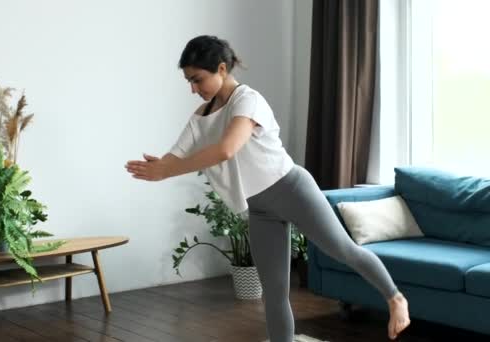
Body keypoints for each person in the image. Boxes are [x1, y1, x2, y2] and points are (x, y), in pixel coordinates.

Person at [125, 35, 410, 342]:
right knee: (274, 292)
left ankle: (395, 298)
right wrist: (158, 169)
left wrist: (167, 170)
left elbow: (226, 149)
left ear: (221, 68)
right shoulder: (201, 117)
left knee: (342, 250)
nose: (193, 89)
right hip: (260, 208)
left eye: (197, 79)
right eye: (189, 82)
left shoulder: (247, 100)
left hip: (292, 189)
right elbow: (175, 155)